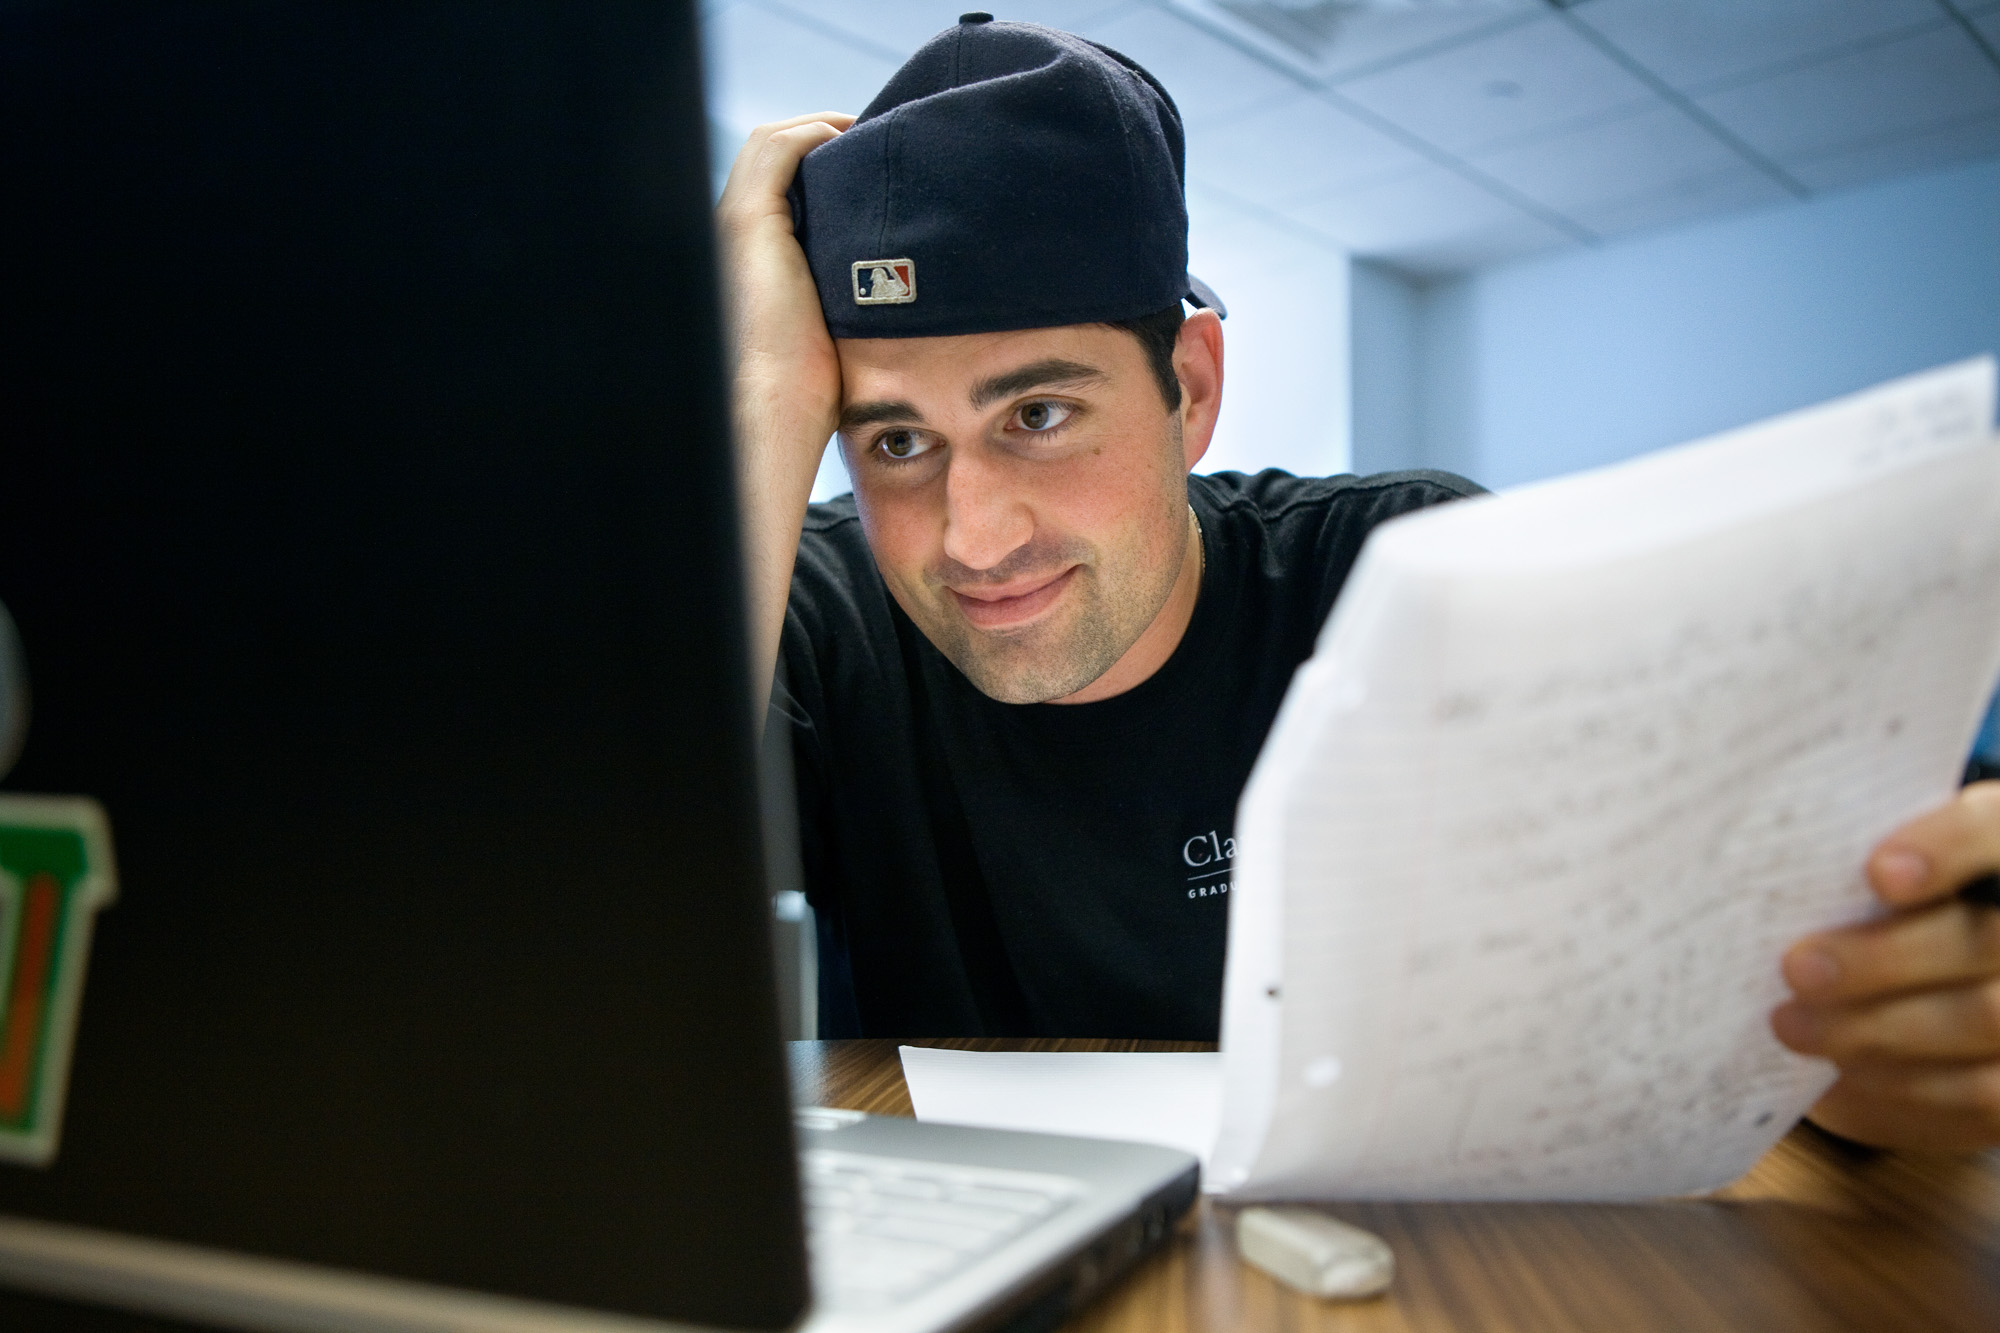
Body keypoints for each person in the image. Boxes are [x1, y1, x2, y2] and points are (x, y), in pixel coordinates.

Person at [716, 15, 2000, 1150]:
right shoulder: (815, 622)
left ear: (1192, 389)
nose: (971, 535)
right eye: (894, 441)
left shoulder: (1416, 573)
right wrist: (752, 400)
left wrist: (1878, 1022)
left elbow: (1815, 921)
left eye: (1039, 413)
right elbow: (554, 919)